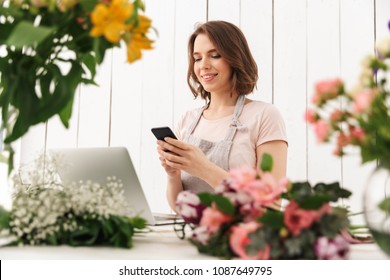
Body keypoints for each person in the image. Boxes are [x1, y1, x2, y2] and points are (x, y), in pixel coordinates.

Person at [157, 20, 288, 211]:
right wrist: (173, 175)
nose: (203, 66)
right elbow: (180, 209)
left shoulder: (264, 116)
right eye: (197, 58)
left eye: (215, 55)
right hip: (193, 236)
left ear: (235, 58)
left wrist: (203, 168)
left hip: (242, 237)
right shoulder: (187, 121)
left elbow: (271, 205)